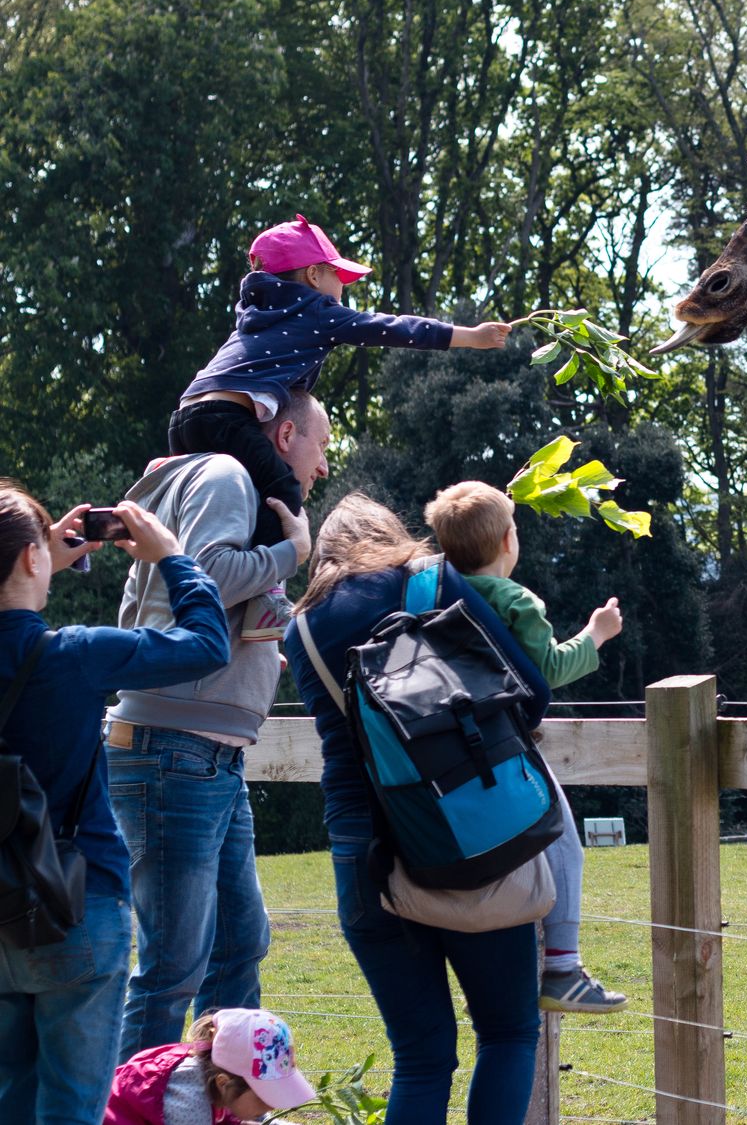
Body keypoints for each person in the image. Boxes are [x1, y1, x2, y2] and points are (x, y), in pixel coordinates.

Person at [284, 493, 551, 1125]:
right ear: (390, 532)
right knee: (508, 1033)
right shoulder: (432, 580)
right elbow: (529, 693)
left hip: (364, 856)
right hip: (470, 833)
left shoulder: (301, 630)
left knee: (423, 1059)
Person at [108, 390, 330, 1060]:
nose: (321, 467)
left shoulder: (209, 480)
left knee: (237, 942)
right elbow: (201, 574)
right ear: (284, 433)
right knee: (175, 964)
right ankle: (127, 1108)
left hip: (202, 753)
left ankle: (219, 1100)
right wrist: (295, 550)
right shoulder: (228, 475)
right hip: (176, 748)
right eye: (321, 446)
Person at [0, 485, 230, 1125]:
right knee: (73, 1111)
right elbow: (207, 644)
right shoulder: (74, 656)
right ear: (26, 560)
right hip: (76, 904)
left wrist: (35, 553)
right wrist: (173, 557)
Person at [174, 213, 511, 634]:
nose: (343, 291)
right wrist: (468, 336)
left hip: (187, 412)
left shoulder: (257, 314)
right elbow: (389, 329)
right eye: (339, 277)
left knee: (236, 502)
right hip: (226, 417)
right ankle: (267, 598)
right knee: (283, 492)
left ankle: (201, 583)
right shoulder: (316, 311)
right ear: (313, 275)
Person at [421, 481, 628, 1015]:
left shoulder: (431, 595)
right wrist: (597, 633)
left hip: (451, 749)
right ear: (510, 540)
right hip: (506, 744)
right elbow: (550, 670)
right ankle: (562, 965)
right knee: (563, 846)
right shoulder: (516, 602)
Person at [103, 1007, 317, 1125]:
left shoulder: (220, 1073)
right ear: (224, 1083)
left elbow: (256, 1117)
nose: (272, 1107)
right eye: (263, 1098)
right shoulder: (188, 1103)